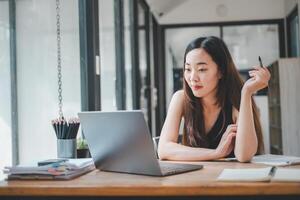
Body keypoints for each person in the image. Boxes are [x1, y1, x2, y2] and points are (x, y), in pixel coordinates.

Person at [157, 36, 270, 162]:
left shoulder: (235, 102)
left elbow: (244, 155)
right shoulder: (181, 98)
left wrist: (246, 92)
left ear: (221, 71)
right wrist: (216, 153)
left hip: (232, 179)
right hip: (195, 178)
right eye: (188, 69)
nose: (192, 78)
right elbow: (163, 149)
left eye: (202, 69)